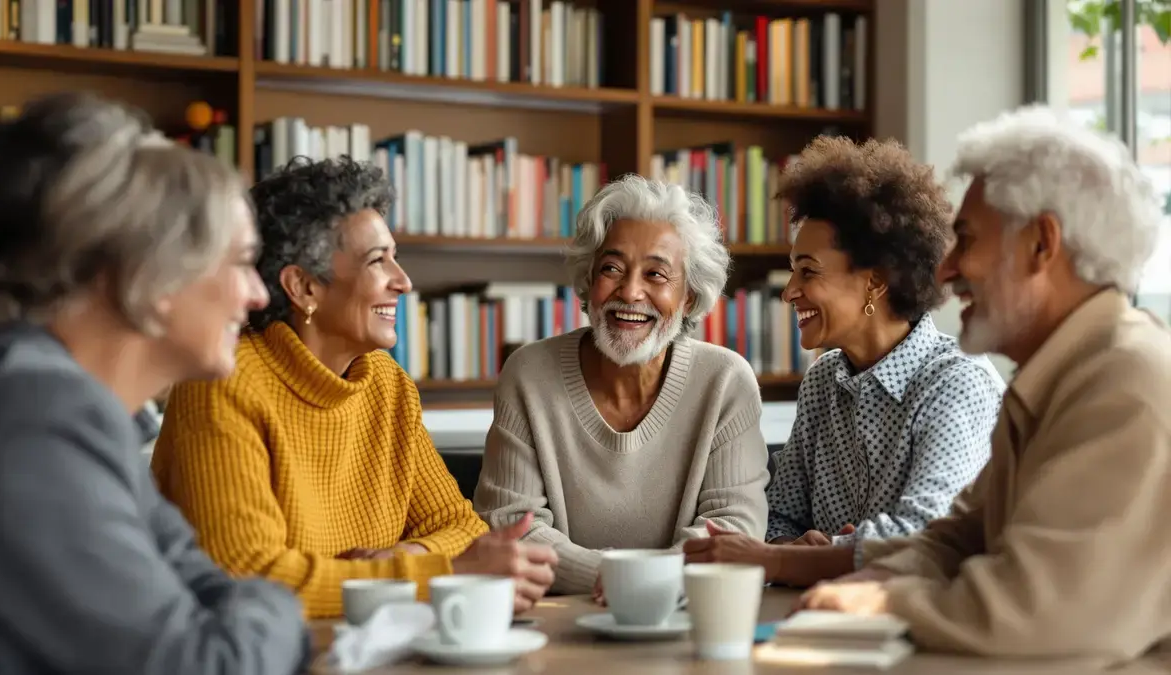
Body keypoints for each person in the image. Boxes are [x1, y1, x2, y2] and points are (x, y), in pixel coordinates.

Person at [796, 106, 1171, 666]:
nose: (944, 271)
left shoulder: (1125, 382)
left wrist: (882, 599)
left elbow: (1037, 611)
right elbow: (956, 538)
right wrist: (874, 570)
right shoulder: (1061, 377)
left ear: (1042, 244)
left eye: (965, 240)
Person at [0, 92, 308, 673]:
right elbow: (208, 663)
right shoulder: (33, 417)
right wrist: (278, 604)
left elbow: (206, 590)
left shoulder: (82, 414)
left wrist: (252, 610)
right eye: (240, 261)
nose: (257, 294)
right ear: (150, 276)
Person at [152, 156, 557, 619]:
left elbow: (461, 527)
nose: (403, 282)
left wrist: (399, 559)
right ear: (303, 287)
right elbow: (251, 576)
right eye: (376, 260)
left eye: (395, 257)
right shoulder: (221, 385)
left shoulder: (387, 385)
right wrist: (439, 573)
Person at [683, 136, 1005, 588]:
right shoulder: (822, 382)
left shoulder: (958, 382)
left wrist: (794, 561)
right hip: (825, 622)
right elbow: (779, 516)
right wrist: (799, 551)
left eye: (808, 271)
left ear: (874, 282)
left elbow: (924, 535)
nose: (789, 290)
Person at [472, 174, 771, 596]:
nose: (630, 292)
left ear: (687, 297)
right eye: (612, 269)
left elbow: (733, 531)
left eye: (656, 274)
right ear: (589, 280)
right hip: (557, 622)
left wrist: (634, 586)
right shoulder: (528, 374)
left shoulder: (725, 383)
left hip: (685, 617)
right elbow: (512, 527)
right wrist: (615, 579)